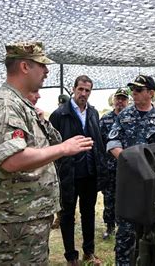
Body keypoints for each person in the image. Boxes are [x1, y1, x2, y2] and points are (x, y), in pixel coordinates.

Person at [0, 41, 94, 265]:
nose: (47, 71)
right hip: (14, 216)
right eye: (42, 65)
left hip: (25, 213)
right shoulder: (5, 104)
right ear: (25, 67)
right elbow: (12, 159)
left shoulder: (20, 104)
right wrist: (64, 148)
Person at [107, 75, 155, 266]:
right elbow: (112, 142)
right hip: (128, 182)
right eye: (133, 89)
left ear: (150, 93)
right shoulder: (124, 115)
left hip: (151, 183)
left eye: (139, 89)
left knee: (152, 230)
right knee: (125, 231)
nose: (134, 92)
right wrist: (130, 160)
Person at [49, 75, 107, 266]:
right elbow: (52, 147)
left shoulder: (93, 113)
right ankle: (71, 257)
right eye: (80, 89)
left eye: (87, 90)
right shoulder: (59, 115)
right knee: (67, 215)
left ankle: (89, 253)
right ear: (73, 89)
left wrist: (99, 169)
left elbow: (97, 142)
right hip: (69, 174)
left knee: (88, 212)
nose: (83, 93)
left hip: (89, 172)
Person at [99, 88, 130, 240]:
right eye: (118, 98)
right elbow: (99, 143)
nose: (120, 101)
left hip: (127, 169)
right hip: (109, 168)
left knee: (126, 197)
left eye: (123, 99)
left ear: (127, 101)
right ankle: (109, 226)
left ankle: (123, 226)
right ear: (114, 100)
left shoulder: (131, 119)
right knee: (109, 198)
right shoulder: (105, 119)